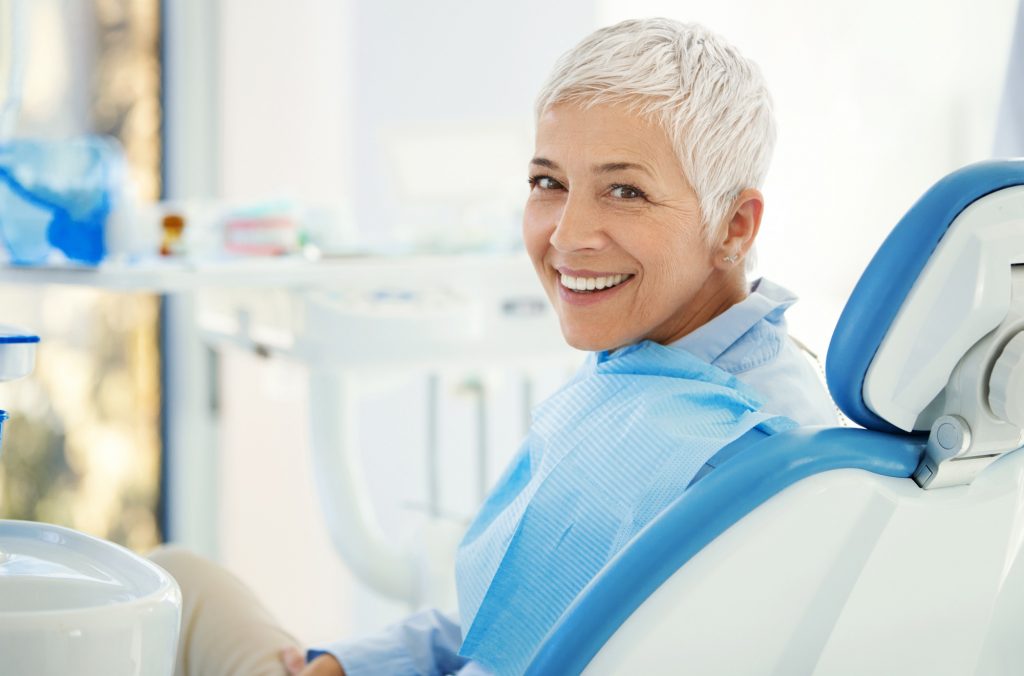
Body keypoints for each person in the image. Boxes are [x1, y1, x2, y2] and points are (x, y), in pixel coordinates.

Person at [151, 17, 837, 676]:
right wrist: (345, 664)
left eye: (625, 191)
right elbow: (517, 615)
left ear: (735, 226)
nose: (567, 236)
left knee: (161, 601)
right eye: (549, 183)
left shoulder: (741, 448)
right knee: (176, 580)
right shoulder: (658, 372)